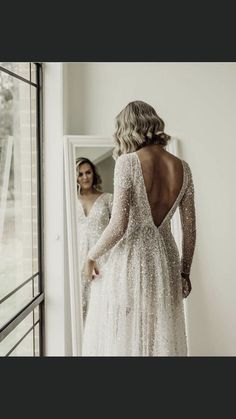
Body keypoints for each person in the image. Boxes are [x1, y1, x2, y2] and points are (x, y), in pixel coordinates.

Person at [83, 100, 197, 356]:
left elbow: (118, 225)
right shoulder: (183, 168)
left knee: (128, 333)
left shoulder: (128, 162)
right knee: (159, 331)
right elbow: (189, 230)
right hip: (166, 257)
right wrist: (185, 272)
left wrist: (91, 256)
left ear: (129, 129)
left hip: (133, 258)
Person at [76, 157, 113, 323]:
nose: (85, 177)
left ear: (93, 174)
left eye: (88, 172)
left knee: (103, 309)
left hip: (104, 259)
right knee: (81, 308)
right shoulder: (71, 200)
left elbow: (116, 231)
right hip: (77, 259)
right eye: (80, 173)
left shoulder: (107, 199)